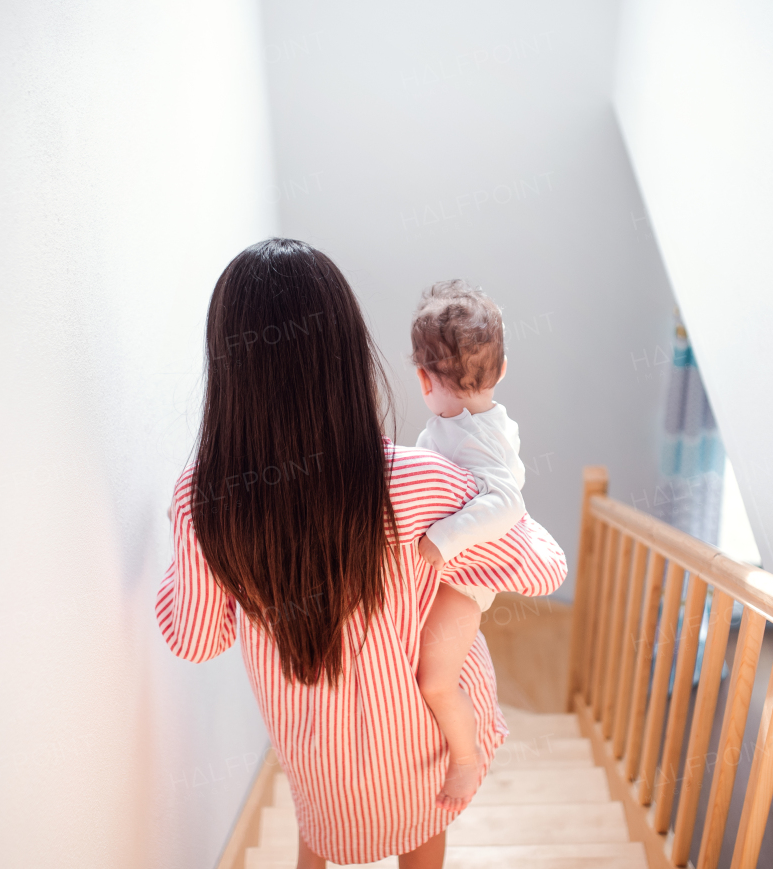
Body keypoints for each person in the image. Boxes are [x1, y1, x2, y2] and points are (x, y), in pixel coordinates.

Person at [156, 238, 566, 869]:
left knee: (320, 832)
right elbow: (543, 571)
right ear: (347, 357)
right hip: (418, 736)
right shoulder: (420, 482)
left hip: (312, 747)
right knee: (422, 827)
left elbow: (196, 638)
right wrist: (489, 511)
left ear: (228, 368)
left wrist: (187, 546)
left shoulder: (203, 501)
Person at [408, 280, 526, 812]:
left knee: (435, 680)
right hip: (450, 575)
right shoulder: (457, 422)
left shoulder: (476, 434)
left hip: (463, 584)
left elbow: (507, 504)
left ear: (422, 379)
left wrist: (442, 540)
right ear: (502, 371)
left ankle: (465, 755)